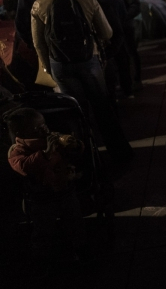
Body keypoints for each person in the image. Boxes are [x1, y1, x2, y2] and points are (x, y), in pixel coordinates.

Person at [31, 0, 133, 167]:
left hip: (59, 65)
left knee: (74, 113)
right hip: (89, 61)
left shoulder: (40, 3)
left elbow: (38, 44)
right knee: (103, 108)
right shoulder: (86, 0)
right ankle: (120, 154)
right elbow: (107, 33)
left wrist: (47, 69)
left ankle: (84, 161)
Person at [7, 108, 86, 275]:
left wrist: (74, 144)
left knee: (73, 218)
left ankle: (78, 245)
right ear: (21, 133)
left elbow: (71, 150)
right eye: (37, 128)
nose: (44, 130)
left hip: (64, 187)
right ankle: (41, 255)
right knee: (43, 227)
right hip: (41, 196)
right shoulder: (17, 150)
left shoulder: (51, 139)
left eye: (44, 125)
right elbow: (23, 166)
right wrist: (45, 152)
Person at [75, 0, 131, 103]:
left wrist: (108, 54)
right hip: (84, 62)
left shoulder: (103, 6)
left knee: (107, 97)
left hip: (103, 59)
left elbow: (117, 33)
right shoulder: (72, 9)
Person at [105, 0, 143, 91]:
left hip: (126, 27)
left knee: (131, 52)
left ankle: (137, 79)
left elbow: (135, 7)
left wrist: (122, 17)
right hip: (115, 28)